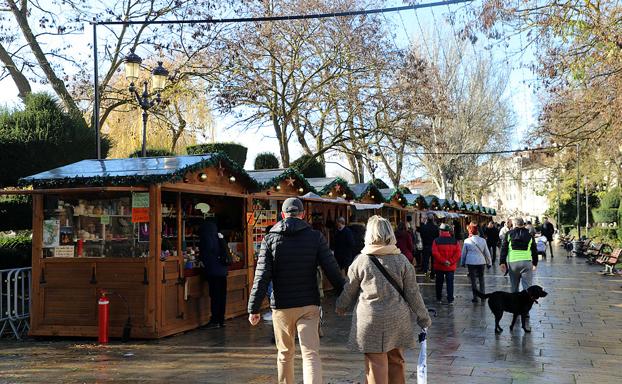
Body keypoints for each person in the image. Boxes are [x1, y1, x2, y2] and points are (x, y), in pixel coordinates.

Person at [247, 197, 345, 384]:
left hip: (282, 306)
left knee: (284, 353)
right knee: (310, 354)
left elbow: (261, 277)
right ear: (303, 214)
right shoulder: (315, 237)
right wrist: (344, 295)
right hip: (309, 304)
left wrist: (254, 308)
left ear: (282, 215)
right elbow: (331, 268)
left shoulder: (269, 239)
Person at [335, 215, 432, 384]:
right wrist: (423, 317)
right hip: (397, 318)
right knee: (396, 361)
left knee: (375, 364)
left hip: (370, 320)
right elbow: (413, 293)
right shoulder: (401, 260)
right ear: (390, 234)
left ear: (369, 235)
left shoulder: (361, 261)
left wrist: (341, 306)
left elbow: (349, 289)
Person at [199, 218, 228, 329]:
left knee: (215, 296)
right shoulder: (219, 236)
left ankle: (215, 320)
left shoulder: (206, 236)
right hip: (223, 271)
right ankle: (221, 319)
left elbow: (207, 251)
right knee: (222, 296)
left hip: (213, 271)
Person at [500, 217, 538, 293]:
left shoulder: (509, 234)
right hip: (526, 262)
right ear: (523, 224)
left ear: (514, 224)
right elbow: (534, 250)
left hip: (513, 263)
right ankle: (526, 304)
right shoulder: (530, 235)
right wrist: (535, 263)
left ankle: (515, 303)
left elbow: (504, 248)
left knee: (514, 287)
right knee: (527, 288)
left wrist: (502, 262)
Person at [461, 222, 492, 303]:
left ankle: (475, 297)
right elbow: (487, 253)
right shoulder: (483, 240)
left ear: (470, 232)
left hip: (471, 262)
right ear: (477, 232)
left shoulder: (467, 241)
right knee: (481, 279)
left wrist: (462, 262)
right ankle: (483, 296)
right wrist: (489, 262)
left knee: (473, 280)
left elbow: (464, 253)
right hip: (481, 262)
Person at [432, 223, 461, 305]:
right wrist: (450, 261)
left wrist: (443, 261)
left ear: (440, 231)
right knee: (450, 283)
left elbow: (435, 253)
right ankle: (450, 299)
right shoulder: (454, 241)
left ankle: (439, 298)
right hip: (450, 267)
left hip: (439, 266)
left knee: (439, 283)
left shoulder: (436, 241)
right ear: (448, 231)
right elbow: (458, 253)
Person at [419, 213, 439, 279]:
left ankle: (426, 273)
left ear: (427, 219)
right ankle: (432, 273)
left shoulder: (424, 227)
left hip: (426, 245)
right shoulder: (436, 227)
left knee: (426, 261)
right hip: (434, 246)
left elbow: (421, 235)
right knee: (433, 261)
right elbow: (437, 237)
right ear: (433, 219)